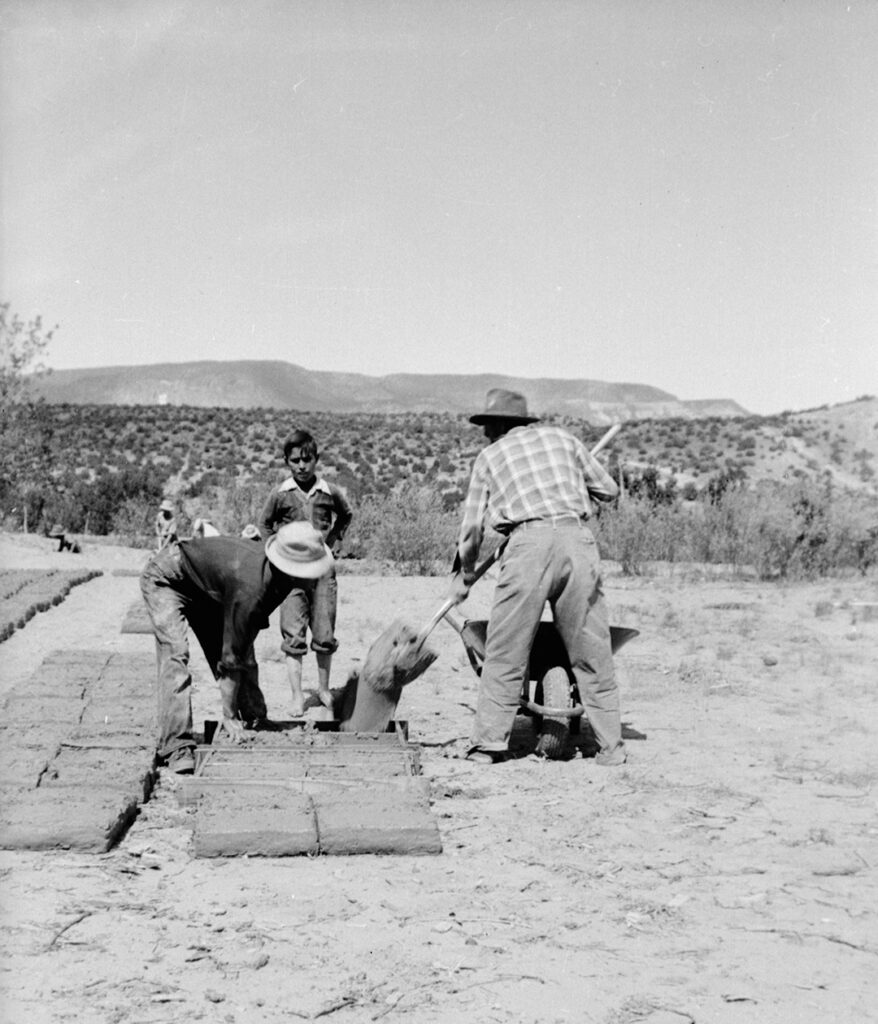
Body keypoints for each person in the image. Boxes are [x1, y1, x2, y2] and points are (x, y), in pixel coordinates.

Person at [448, 388, 625, 767]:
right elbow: (609, 490)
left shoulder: (489, 457)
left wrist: (463, 576)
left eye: (486, 426)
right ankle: (611, 748)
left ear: (497, 425)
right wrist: (579, 489)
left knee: (506, 650)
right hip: (578, 544)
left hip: (527, 546)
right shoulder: (564, 439)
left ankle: (489, 746)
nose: (484, 435)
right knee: (593, 650)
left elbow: (471, 530)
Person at [140, 520, 334, 774]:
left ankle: (254, 718)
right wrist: (228, 716)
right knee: (176, 657)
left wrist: (253, 714)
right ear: (294, 570)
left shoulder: (279, 578)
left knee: (244, 655)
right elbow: (230, 659)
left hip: (209, 589)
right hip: (169, 578)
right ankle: (176, 745)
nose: (317, 577)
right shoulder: (251, 587)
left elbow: (243, 643)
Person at [258, 429, 353, 717]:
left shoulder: (328, 492)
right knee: (293, 635)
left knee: (324, 633)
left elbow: (346, 515)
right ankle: (297, 696)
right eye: (295, 460)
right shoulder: (281, 494)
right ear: (287, 461)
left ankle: (323, 690)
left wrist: (333, 541)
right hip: (290, 574)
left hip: (323, 571)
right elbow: (264, 524)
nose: (301, 466)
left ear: (316, 460)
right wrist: (275, 550)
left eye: (307, 459)